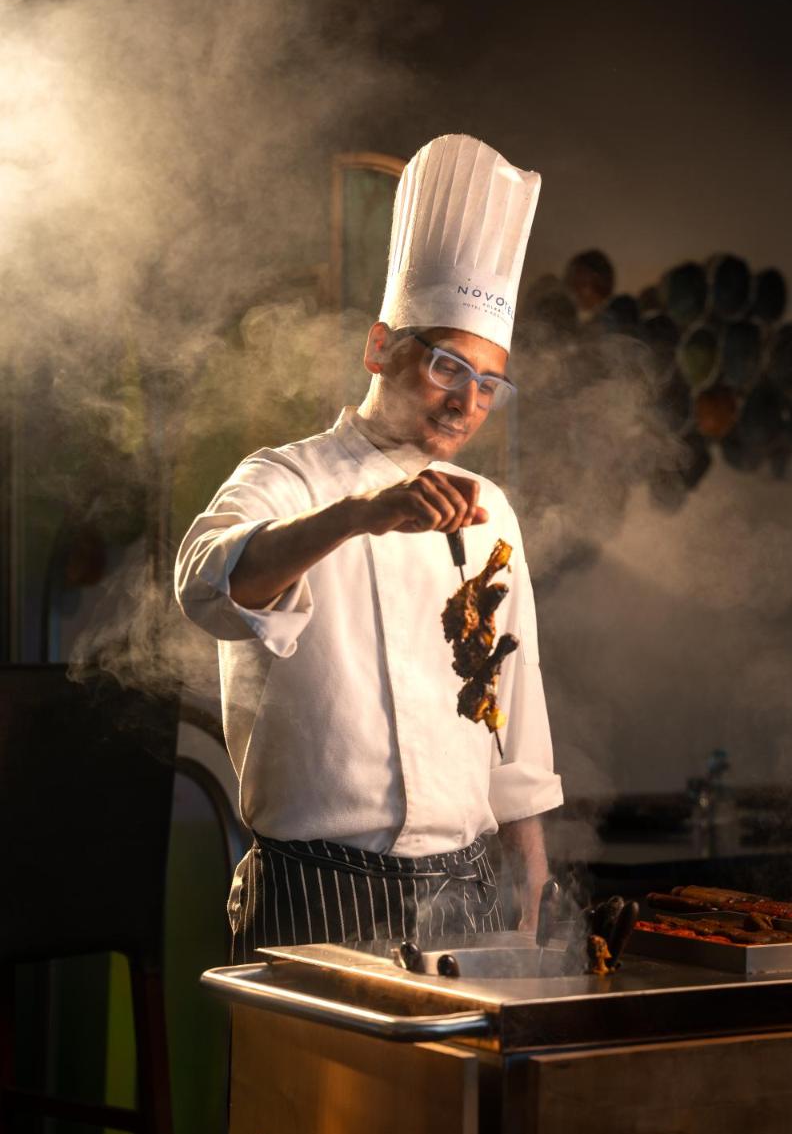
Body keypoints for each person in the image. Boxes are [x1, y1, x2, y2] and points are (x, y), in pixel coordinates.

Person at [175, 135, 563, 961]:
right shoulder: (287, 479)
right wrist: (357, 515)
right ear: (381, 346)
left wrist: (528, 860)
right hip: (316, 888)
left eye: (489, 384)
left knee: (442, 1098)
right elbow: (207, 584)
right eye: (449, 365)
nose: (466, 402)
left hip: (461, 891)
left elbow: (511, 696)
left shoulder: (489, 512)